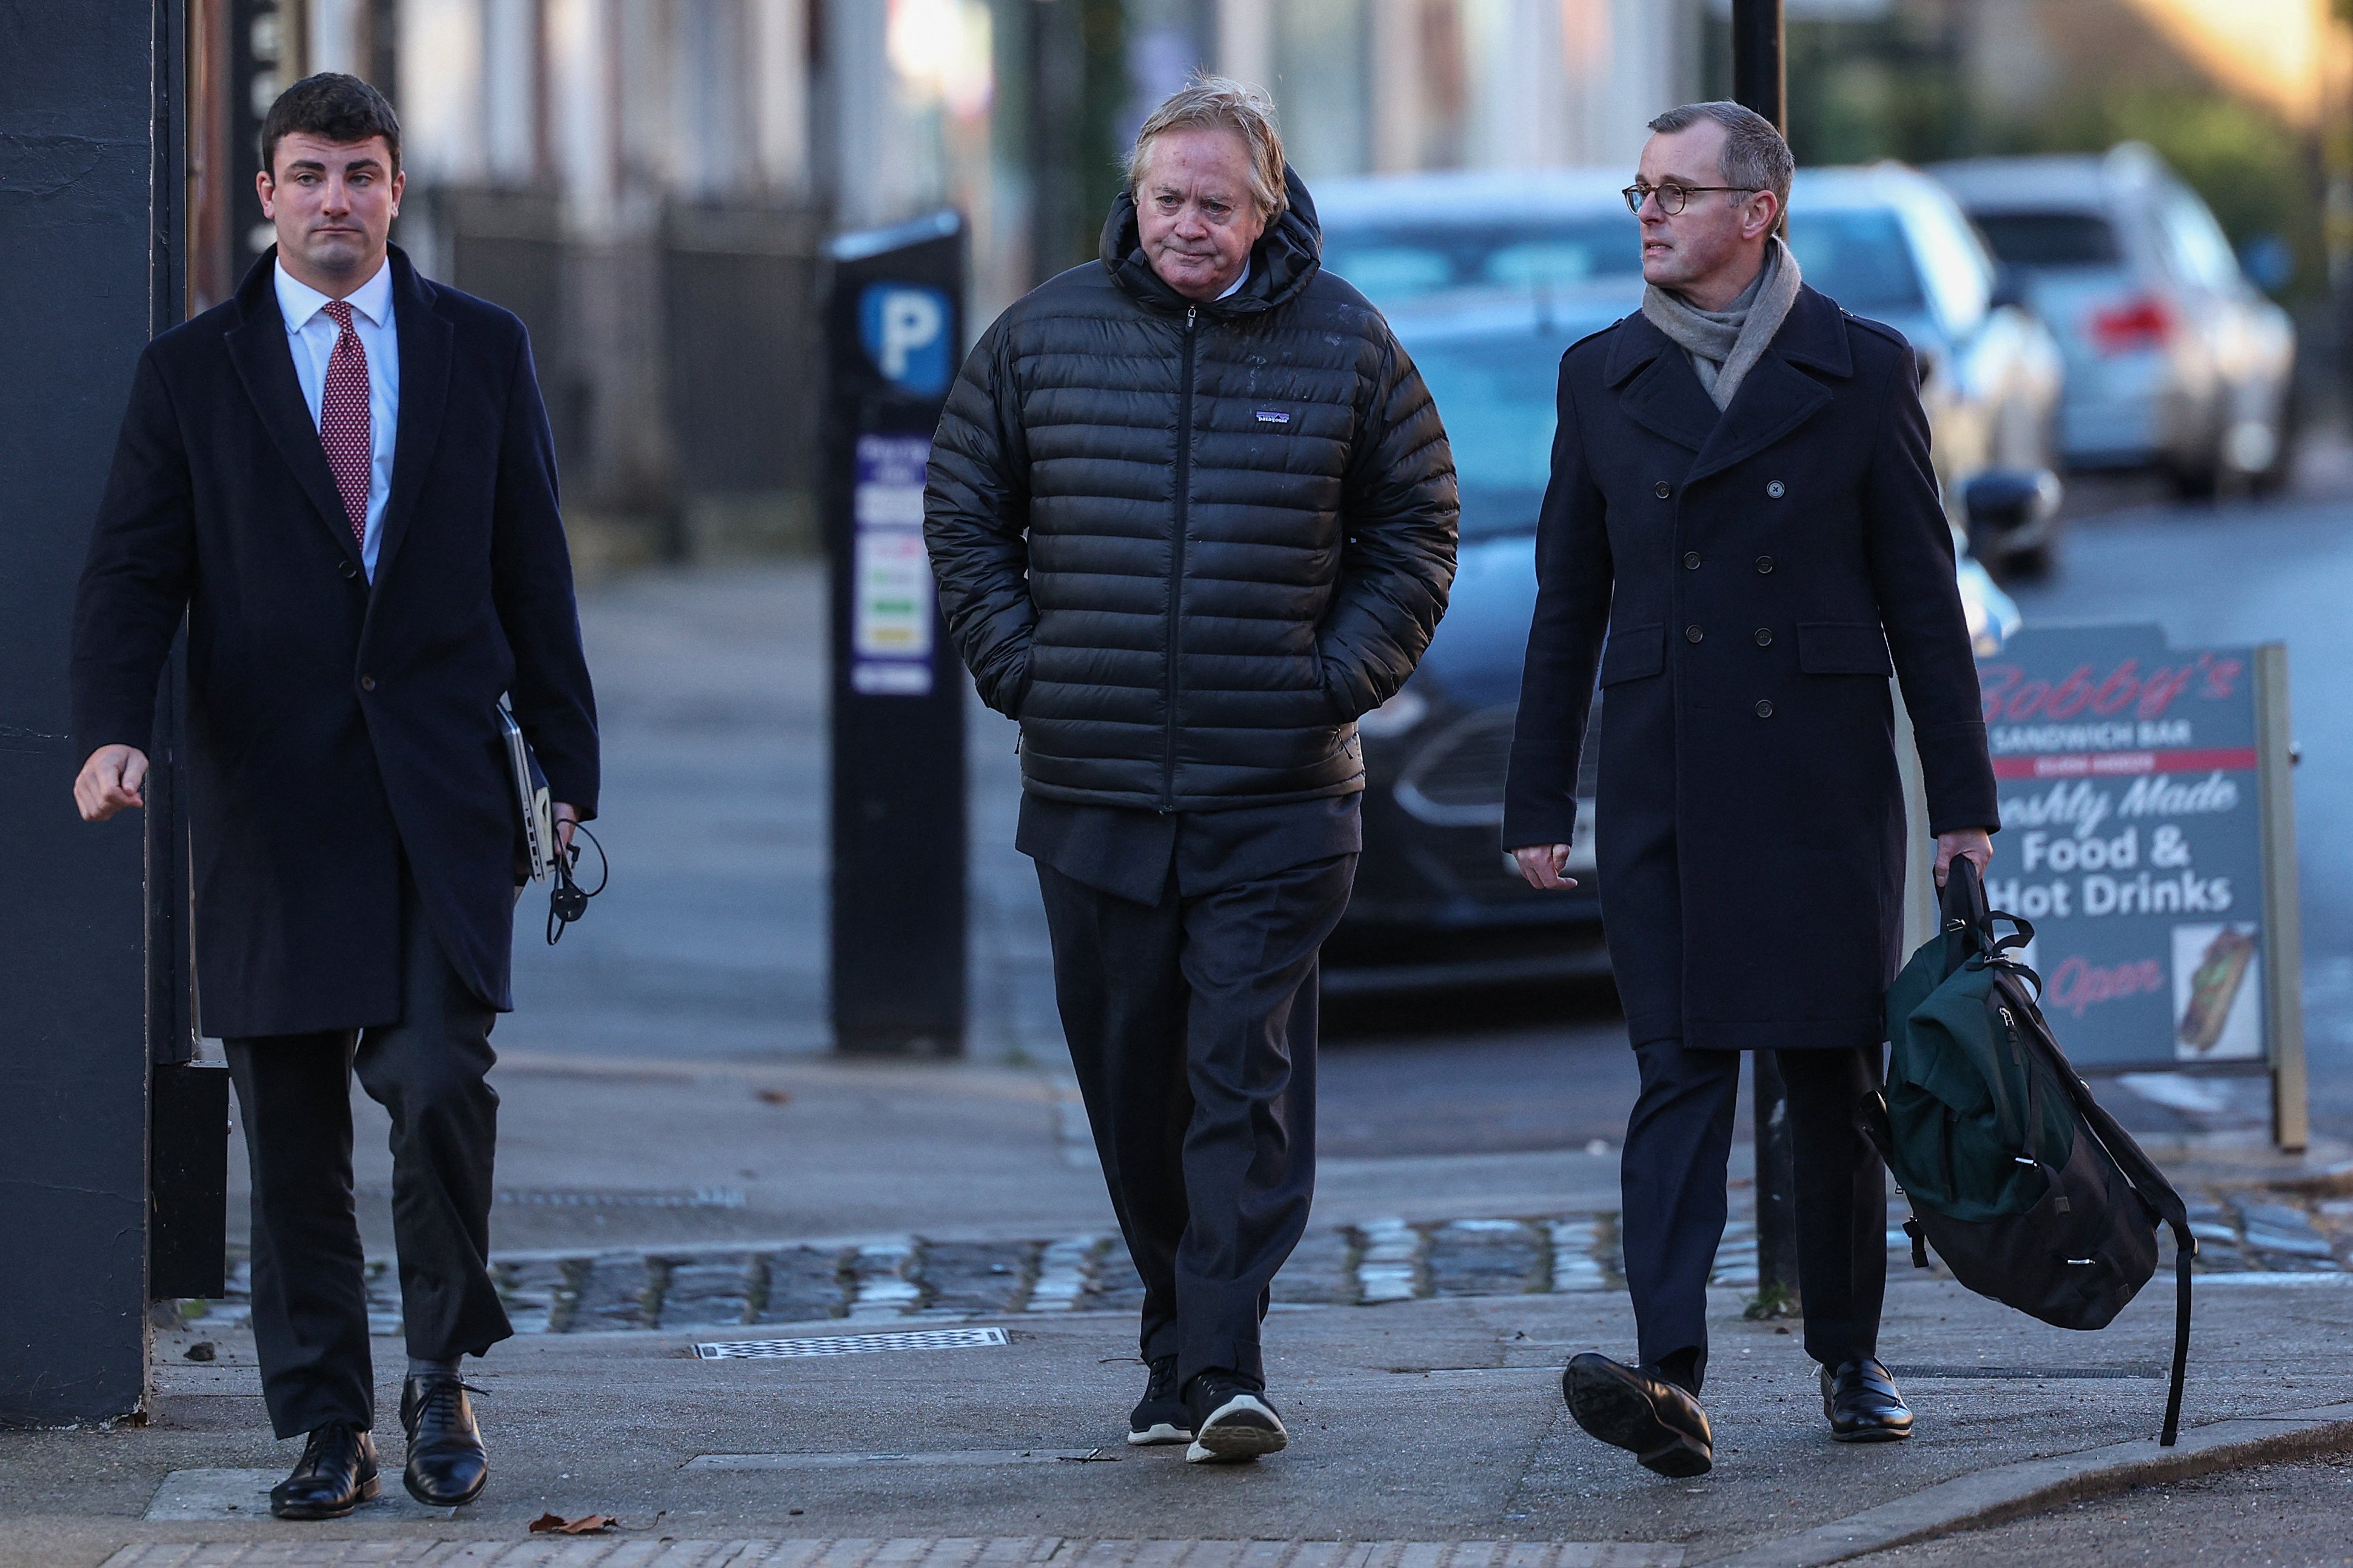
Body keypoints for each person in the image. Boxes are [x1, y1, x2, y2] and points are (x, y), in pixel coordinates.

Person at [70, 74, 597, 1518]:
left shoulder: (480, 350)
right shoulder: (195, 371)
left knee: (435, 1086)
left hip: (438, 799)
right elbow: (131, 571)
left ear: (396, 189)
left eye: (360, 175)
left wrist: (567, 766)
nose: (335, 202)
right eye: (308, 176)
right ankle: (323, 1423)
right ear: (266, 194)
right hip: (270, 806)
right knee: (291, 1130)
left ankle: (440, 1380)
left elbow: (532, 567)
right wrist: (113, 729)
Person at [925, 76, 1457, 1464]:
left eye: (1217, 204)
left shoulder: (1346, 342)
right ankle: (1178, 1343)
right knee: (1132, 1084)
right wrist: (1024, 669)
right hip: (1094, 793)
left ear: (1266, 206)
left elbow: (1418, 525)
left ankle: (1225, 1362)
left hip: (1278, 796)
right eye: (1168, 200)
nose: (1189, 226)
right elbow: (964, 509)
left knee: (1240, 1079)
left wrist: (1328, 680)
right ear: (1136, 197)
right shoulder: (1042, 335)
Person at [1502, 101, 1998, 1476]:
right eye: (1639, 191)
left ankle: (1850, 1353)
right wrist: (1540, 797)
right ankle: (1667, 1374)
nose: (1648, 212)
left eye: (1675, 191)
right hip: (1666, 773)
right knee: (1676, 1074)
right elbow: (1566, 605)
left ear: (1756, 211)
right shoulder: (1600, 377)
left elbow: (1923, 599)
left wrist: (1965, 802)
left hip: (1821, 777)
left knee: (1831, 1079)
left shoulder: (1864, 367)